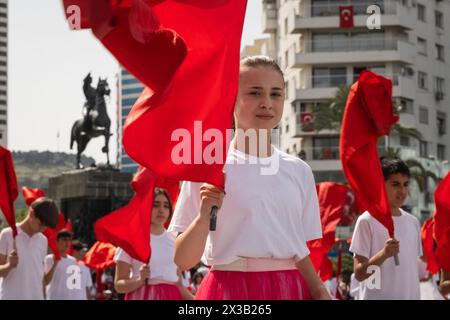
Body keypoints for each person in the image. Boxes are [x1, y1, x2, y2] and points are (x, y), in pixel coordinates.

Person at [169, 55, 331, 300]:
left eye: (276, 94)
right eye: (255, 93)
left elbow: (298, 248)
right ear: (230, 98)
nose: (266, 103)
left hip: (291, 290)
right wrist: (203, 217)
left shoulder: (299, 170)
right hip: (228, 290)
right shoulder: (208, 166)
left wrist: (319, 289)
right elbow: (182, 259)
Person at [350, 157, 422, 299]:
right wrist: (383, 254)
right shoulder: (367, 221)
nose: (402, 191)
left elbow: (411, 273)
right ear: (380, 185)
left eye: (405, 184)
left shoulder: (413, 222)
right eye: (395, 184)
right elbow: (359, 274)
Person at [114, 188, 193, 300]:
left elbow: (179, 286)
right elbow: (119, 285)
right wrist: (139, 280)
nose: (161, 210)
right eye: (155, 205)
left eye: (166, 206)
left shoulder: (175, 240)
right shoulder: (130, 240)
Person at [0, 197, 59, 300]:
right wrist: (9, 265)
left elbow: (40, 276)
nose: (42, 229)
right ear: (31, 213)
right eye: (40, 224)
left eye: (46, 227)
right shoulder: (7, 234)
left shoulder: (43, 240)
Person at [44, 229, 84, 300]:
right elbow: (45, 282)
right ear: (57, 242)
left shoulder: (73, 261)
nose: (67, 243)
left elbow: (75, 285)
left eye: (69, 240)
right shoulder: (49, 259)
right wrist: (55, 264)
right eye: (64, 240)